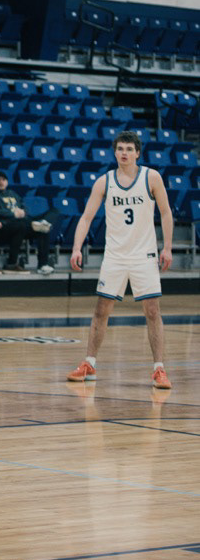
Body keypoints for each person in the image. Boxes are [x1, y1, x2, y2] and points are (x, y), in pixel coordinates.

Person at [67, 130, 173, 389]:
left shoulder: (151, 177)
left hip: (144, 255)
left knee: (152, 311)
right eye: (120, 149)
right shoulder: (104, 182)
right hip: (115, 256)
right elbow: (86, 217)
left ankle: (159, 369)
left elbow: (166, 212)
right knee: (101, 310)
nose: (124, 153)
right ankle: (89, 363)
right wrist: (76, 247)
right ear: (115, 153)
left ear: (137, 153)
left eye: (129, 149)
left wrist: (168, 247)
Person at [0, 169, 55, 275]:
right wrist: (13, 214)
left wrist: (23, 212)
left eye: (3, 180)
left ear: (7, 182)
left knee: (45, 227)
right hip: (5, 225)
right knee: (22, 225)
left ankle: (42, 265)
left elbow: (24, 207)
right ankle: (11, 263)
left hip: (22, 222)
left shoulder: (12, 193)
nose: (1, 182)